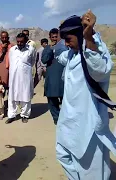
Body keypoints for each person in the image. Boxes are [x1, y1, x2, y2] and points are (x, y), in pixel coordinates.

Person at [56, 12, 115, 180]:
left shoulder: (95, 48)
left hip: (88, 125)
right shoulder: (71, 54)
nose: (66, 44)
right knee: (64, 156)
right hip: (68, 123)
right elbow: (60, 55)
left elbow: (100, 70)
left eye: (69, 39)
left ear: (80, 35)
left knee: (91, 170)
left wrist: (89, 37)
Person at [6, 33, 36, 124]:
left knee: (25, 95)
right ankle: (12, 115)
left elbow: (32, 61)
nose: (19, 43)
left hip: (25, 77)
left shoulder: (31, 50)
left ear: (26, 40)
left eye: (21, 42)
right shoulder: (12, 50)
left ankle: (25, 115)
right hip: (13, 77)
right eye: (18, 41)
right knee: (12, 96)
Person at [41, 28, 68, 125]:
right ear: (50, 38)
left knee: (65, 98)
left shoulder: (65, 47)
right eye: (53, 37)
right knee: (52, 99)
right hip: (51, 77)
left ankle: (66, 117)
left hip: (63, 77)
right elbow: (44, 60)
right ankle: (56, 118)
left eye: (56, 37)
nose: (55, 39)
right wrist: (49, 48)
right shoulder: (47, 48)